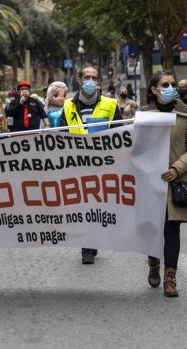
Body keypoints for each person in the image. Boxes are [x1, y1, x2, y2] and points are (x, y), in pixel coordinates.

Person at [141, 71, 187, 297]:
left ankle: (170, 277)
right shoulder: (144, 114)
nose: (170, 87)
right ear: (154, 89)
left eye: (173, 84)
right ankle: (154, 263)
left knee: (172, 228)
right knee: (153, 228)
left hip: (176, 181)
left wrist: (177, 168)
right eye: (164, 84)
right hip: (150, 181)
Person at [59, 65, 123, 265]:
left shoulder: (111, 105)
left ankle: (93, 241)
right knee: (84, 207)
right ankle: (87, 248)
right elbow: (61, 136)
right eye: (86, 77)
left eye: (93, 77)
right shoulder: (68, 106)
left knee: (97, 206)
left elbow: (121, 135)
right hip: (77, 165)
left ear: (99, 82)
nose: (90, 80)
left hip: (102, 165)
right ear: (79, 80)